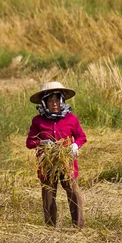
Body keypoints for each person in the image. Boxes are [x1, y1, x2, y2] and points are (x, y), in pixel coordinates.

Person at [26, 82, 87, 228]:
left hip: (67, 163)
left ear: (62, 101)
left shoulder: (71, 119)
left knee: (73, 192)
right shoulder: (38, 121)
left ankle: (78, 227)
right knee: (48, 194)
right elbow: (29, 142)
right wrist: (42, 143)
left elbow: (82, 137)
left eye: (57, 100)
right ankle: (50, 227)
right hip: (47, 164)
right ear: (44, 102)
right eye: (51, 100)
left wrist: (75, 145)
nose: (54, 104)